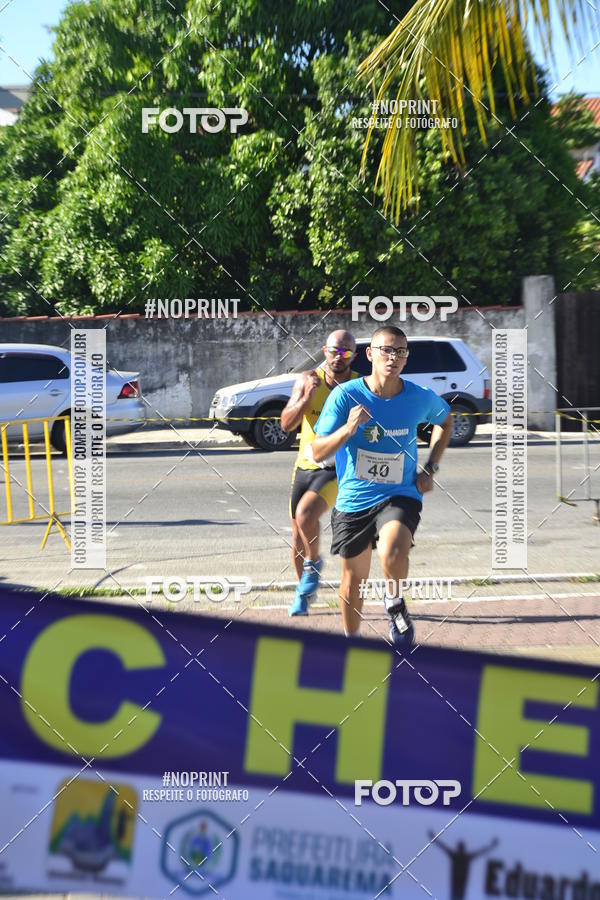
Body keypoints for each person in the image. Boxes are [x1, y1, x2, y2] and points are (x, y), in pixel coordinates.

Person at [311, 325, 453, 644]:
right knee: (353, 582)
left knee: (393, 550)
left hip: (400, 493)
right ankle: (353, 641)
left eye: (400, 352)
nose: (393, 357)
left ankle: (394, 600)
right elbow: (317, 451)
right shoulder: (346, 396)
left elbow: (445, 420)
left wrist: (431, 467)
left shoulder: (417, 397)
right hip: (354, 500)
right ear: (371, 354)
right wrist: (347, 429)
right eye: (386, 350)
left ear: (406, 359)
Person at [280, 330, 359, 616]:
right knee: (298, 536)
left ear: (354, 355)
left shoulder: (359, 385)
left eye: (346, 352)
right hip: (304, 466)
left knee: (306, 515)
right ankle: (303, 592)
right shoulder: (307, 380)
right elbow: (286, 424)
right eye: (334, 351)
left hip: (335, 468)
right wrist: (304, 400)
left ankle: (314, 566)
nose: (339, 357)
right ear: (325, 350)